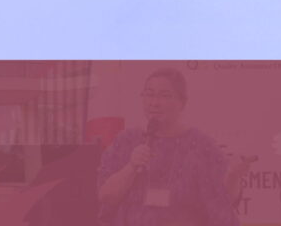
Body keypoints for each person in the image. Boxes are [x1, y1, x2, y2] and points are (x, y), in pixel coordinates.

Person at [95, 70, 237, 226]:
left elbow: (222, 205)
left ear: (182, 102)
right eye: (149, 94)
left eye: (164, 96)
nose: (154, 102)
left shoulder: (201, 146)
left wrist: (234, 177)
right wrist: (131, 166)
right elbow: (106, 197)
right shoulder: (126, 141)